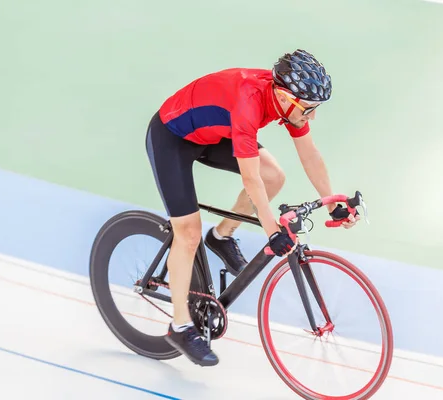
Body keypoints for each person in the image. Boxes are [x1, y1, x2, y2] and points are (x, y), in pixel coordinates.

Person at [145, 49, 360, 367]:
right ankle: (180, 326)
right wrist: (271, 229)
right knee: (188, 234)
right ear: (287, 98)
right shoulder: (250, 101)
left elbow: (310, 155)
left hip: (216, 133)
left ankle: (221, 236)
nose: (312, 117)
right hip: (172, 137)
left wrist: (332, 203)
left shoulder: (287, 104)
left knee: (275, 175)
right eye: (310, 109)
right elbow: (250, 177)